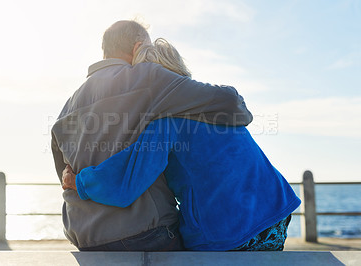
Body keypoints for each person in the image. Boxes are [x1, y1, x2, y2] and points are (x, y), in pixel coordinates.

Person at [62, 38, 301, 251]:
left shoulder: (166, 122)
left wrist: (79, 181)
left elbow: (127, 182)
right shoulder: (216, 108)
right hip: (277, 216)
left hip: (228, 236)